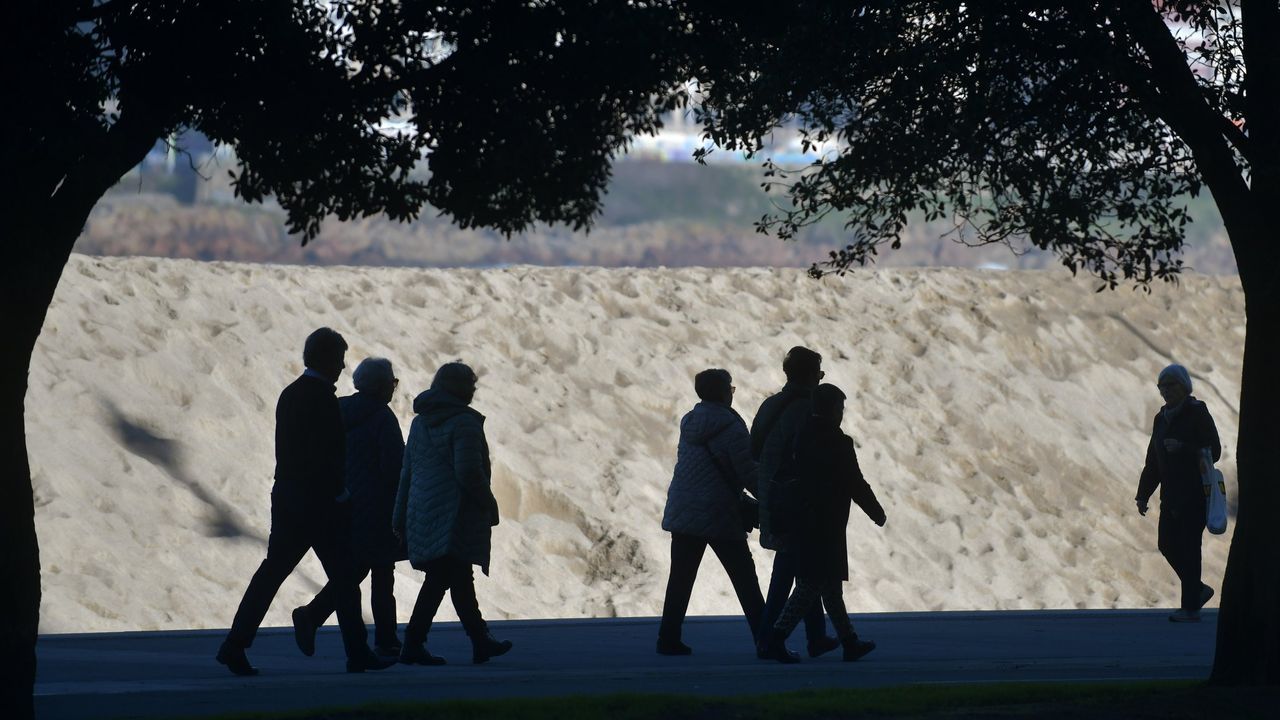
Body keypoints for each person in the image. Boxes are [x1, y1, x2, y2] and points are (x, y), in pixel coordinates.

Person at [217, 328, 395, 675]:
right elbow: (326, 456)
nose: (343, 367)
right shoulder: (322, 399)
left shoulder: (290, 394)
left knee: (270, 575)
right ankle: (357, 653)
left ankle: (234, 644)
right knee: (345, 580)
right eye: (340, 359)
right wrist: (340, 494)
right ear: (328, 360)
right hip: (322, 506)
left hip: (287, 499)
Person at [394, 363, 512, 665]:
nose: (474, 390)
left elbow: (407, 470)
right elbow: (469, 471)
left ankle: (479, 640)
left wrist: (399, 514)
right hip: (453, 511)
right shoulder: (464, 423)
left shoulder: (420, 422)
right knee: (442, 577)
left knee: (456, 576)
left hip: (424, 510)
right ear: (458, 388)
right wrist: (488, 502)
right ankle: (414, 644)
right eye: (470, 384)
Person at [758, 384, 885, 663]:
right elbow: (855, 482)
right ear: (832, 410)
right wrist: (876, 512)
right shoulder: (837, 442)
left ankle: (849, 643)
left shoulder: (799, 437)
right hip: (826, 525)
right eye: (840, 409)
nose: (841, 414)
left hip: (801, 521)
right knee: (809, 587)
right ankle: (775, 640)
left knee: (829, 587)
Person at [292, 358, 407, 658]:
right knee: (381, 572)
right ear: (382, 386)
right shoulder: (383, 418)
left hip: (342, 505)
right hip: (379, 509)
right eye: (392, 383)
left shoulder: (337, 410)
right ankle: (384, 638)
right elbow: (395, 468)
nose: (393, 389)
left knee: (355, 569)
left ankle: (314, 616)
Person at [656, 369, 767, 655]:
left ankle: (668, 638)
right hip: (718, 511)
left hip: (684, 508)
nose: (733, 392)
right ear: (722, 392)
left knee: (680, 578)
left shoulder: (690, 422)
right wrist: (771, 498)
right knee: (744, 577)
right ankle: (765, 639)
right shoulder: (730, 427)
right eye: (730, 387)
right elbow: (747, 472)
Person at [750, 346, 838, 659]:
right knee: (787, 572)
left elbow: (754, 450)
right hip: (795, 503)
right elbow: (812, 457)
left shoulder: (770, 404)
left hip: (772, 495)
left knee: (804, 568)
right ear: (811, 376)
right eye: (820, 373)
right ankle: (766, 640)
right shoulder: (809, 410)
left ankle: (817, 637)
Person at [1136, 363, 1222, 623]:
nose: (1165, 391)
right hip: (1170, 495)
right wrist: (1143, 494)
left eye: (1170, 385)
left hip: (1195, 494)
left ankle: (1190, 608)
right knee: (1166, 544)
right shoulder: (1161, 418)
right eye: (1161, 387)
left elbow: (1213, 450)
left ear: (1184, 386)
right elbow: (1153, 462)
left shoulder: (1197, 412)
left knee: (1189, 548)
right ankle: (1197, 589)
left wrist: (1184, 447)